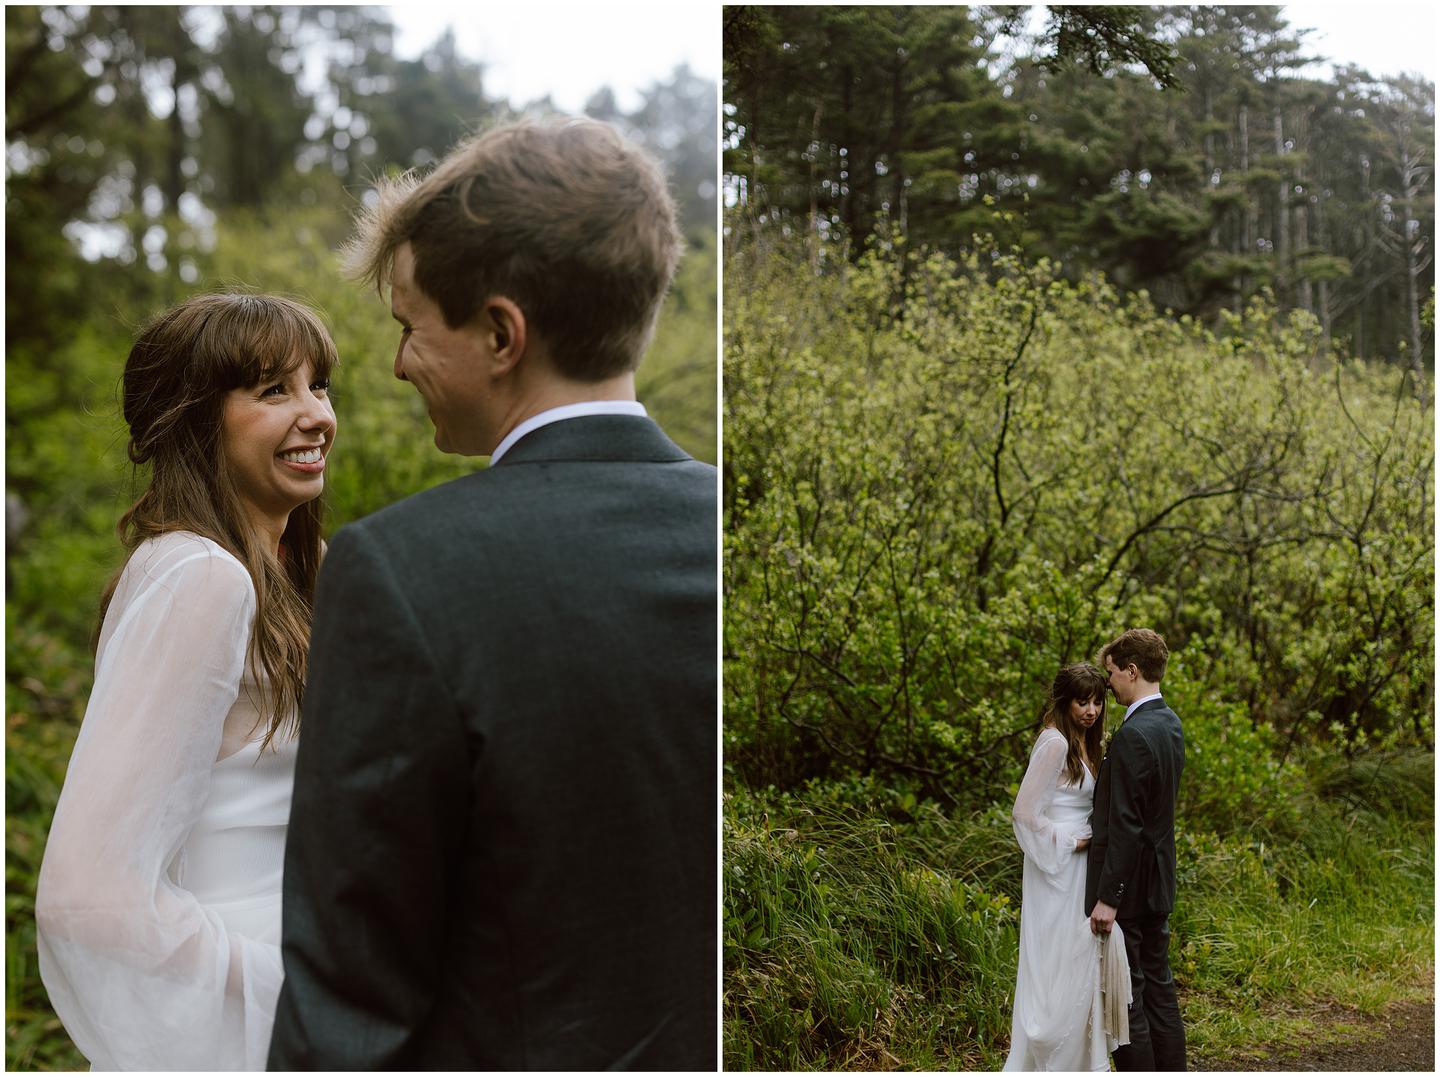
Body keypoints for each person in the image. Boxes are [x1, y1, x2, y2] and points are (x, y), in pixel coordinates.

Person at [267, 117, 717, 1070]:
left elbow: (349, 1004)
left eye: (409, 327)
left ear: (502, 333)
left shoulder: (400, 572)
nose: (396, 365)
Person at [35, 293, 339, 1070]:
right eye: (275, 391)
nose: (316, 415)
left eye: (319, 385)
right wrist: (286, 989)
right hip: (247, 1022)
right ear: (196, 419)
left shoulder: (297, 574)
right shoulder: (203, 577)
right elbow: (88, 896)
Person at [1004, 663, 1130, 1071]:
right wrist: (1074, 841)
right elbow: (1024, 813)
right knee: (1056, 963)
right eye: (1082, 702)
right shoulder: (1055, 743)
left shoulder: (1084, 743)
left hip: (1078, 873)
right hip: (1055, 871)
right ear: (1064, 701)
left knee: (1078, 961)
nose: (1091, 710)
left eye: (1097, 701)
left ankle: (1078, 1061)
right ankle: (1047, 1056)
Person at [1086, 628, 1187, 1070]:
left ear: (1131, 671)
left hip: (1129, 891)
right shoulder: (1169, 723)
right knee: (1160, 990)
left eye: (1111, 673)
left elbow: (1127, 823)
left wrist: (1109, 897)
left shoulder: (1133, 735)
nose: (1108, 683)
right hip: (1159, 880)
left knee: (1129, 999)